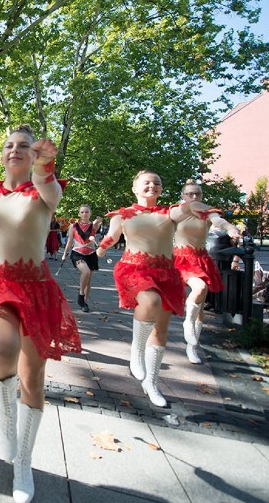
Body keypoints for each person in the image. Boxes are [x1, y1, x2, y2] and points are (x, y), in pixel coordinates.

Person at [0, 126, 80, 503]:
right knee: (2, 344)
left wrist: (46, 165)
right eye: (9, 145)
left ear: (34, 157)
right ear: (1, 155)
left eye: (25, 147)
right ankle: (5, 416)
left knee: (33, 379)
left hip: (36, 286)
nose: (15, 150)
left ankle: (23, 463)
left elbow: (50, 189)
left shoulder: (45, 191)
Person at [97, 170, 189, 408]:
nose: (152, 186)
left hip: (166, 273)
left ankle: (152, 382)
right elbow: (111, 236)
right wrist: (99, 250)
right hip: (133, 269)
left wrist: (194, 203)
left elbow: (185, 210)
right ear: (135, 188)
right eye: (146, 182)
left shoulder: (169, 212)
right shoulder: (122, 214)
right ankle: (136, 353)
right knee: (150, 302)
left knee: (160, 330)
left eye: (157, 183)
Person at [174, 180, 240, 364]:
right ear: (183, 196)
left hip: (201, 259)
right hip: (179, 259)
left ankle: (192, 346)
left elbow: (219, 220)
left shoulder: (208, 213)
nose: (194, 197)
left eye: (198, 194)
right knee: (199, 288)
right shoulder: (177, 211)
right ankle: (184, 322)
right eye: (190, 194)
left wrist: (230, 228)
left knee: (201, 304)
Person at [61, 205, 103, 312]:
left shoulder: (93, 225)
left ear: (90, 213)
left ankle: (84, 302)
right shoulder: (73, 226)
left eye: (87, 212)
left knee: (88, 282)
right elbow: (70, 241)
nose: (84, 214)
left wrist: (98, 221)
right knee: (86, 272)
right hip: (78, 253)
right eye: (82, 212)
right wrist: (64, 253)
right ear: (79, 214)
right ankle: (81, 294)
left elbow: (96, 224)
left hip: (91, 255)